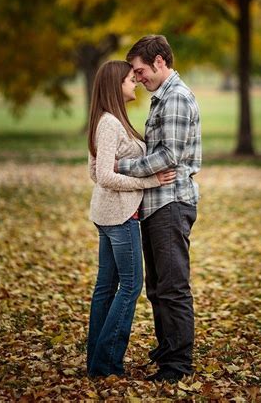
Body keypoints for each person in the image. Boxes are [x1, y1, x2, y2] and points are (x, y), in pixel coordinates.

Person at [116, 35, 202, 383]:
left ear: (160, 62)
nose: (138, 79)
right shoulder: (161, 99)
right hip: (156, 203)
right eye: (134, 74)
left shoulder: (176, 98)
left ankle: (177, 366)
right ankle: (167, 353)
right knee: (157, 287)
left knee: (172, 287)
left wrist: (119, 168)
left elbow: (169, 156)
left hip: (170, 203)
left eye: (140, 71)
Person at [86, 60, 176, 379]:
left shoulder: (107, 120)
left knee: (106, 287)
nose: (134, 83)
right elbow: (103, 175)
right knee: (131, 285)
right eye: (128, 79)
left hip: (107, 214)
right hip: (120, 216)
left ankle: (97, 363)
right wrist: (149, 181)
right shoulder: (110, 123)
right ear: (115, 86)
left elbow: (94, 171)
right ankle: (106, 362)